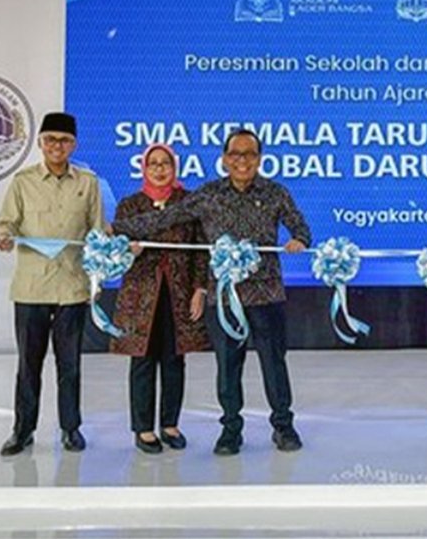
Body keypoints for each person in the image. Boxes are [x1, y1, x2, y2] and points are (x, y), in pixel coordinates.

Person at [113, 129, 309, 455]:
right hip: (223, 299)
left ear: (259, 159)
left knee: (274, 363)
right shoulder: (208, 195)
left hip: (266, 295)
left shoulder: (276, 193)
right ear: (225, 159)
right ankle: (231, 430)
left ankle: (283, 427)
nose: (242, 161)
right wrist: (117, 229)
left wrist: (299, 240)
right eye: (235, 154)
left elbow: (300, 227)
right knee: (228, 368)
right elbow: (166, 218)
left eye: (249, 154)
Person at [0, 112, 105, 456]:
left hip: (72, 287)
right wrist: (3, 236)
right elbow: (5, 223)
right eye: (51, 139)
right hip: (32, 289)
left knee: (70, 365)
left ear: (74, 145)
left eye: (65, 140)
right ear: (41, 142)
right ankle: (22, 430)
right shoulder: (23, 181)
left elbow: (98, 231)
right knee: (28, 365)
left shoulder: (88, 183)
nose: (58, 146)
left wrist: (106, 256)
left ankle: (71, 429)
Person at [112, 144, 210, 454]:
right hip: (141, 294)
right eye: (153, 163)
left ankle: (170, 424)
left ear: (174, 167)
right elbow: (115, 251)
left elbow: (201, 250)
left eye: (165, 163)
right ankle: (143, 428)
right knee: (142, 359)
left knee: (174, 359)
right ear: (144, 168)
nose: (159, 169)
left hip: (179, 292)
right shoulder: (130, 205)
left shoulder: (189, 203)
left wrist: (200, 289)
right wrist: (128, 251)